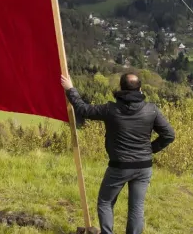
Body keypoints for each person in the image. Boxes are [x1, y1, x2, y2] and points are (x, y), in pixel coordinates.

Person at [61, 72, 175, 234]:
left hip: (119, 166)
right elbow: (169, 135)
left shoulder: (110, 109)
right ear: (140, 89)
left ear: (121, 88)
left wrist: (70, 89)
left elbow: (83, 109)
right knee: (136, 207)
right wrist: (149, 150)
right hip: (144, 166)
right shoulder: (152, 110)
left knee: (105, 202)